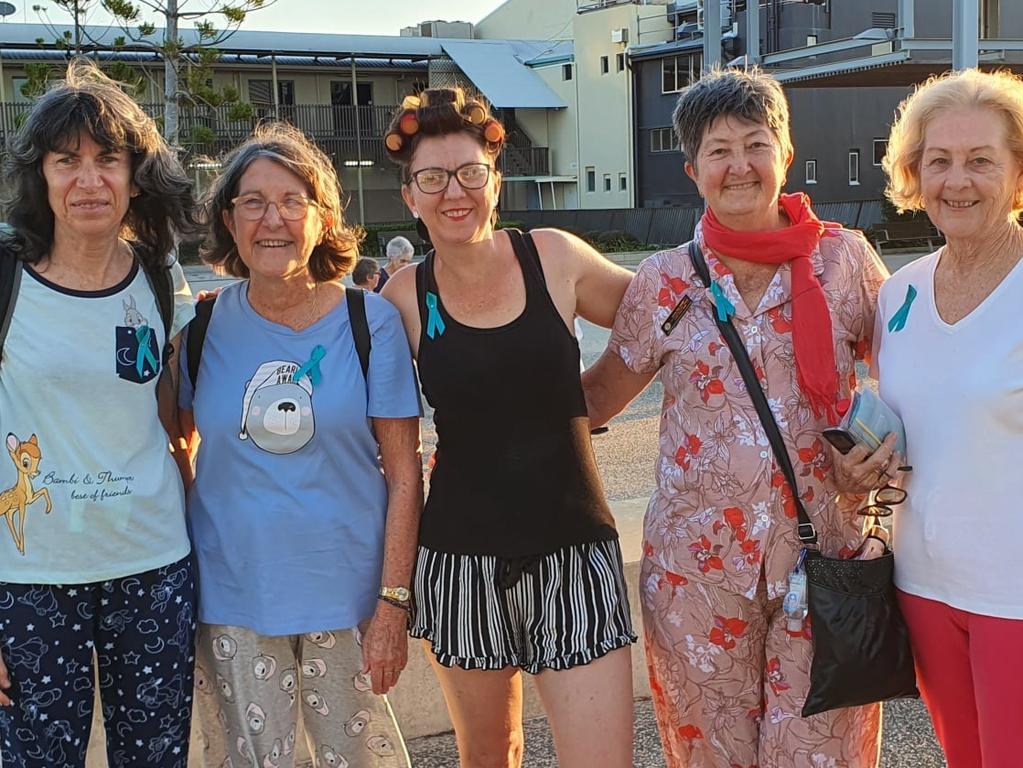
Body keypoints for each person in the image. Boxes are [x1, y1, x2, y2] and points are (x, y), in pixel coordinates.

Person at [583, 67, 888, 768]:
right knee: (709, 757)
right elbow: (599, 396)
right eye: (719, 150)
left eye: (755, 144)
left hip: (827, 559)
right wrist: (488, 424)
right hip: (695, 577)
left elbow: (910, 377)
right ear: (693, 169)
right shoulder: (663, 280)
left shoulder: (845, 262)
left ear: (785, 152)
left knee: (821, 755)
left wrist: (881, 452)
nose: (739, 166)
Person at [380, 89, 636, 768]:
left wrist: (595, 400)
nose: (453, 192)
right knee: (490, 754)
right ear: (410, 196)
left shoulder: (554, 256)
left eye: (469, 172)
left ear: (496, 179)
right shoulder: (402, 296)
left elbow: (662, 315)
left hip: (575, 548)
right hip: (459, 558)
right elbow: (356, 408)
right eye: (432, 178)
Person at [179, 122, 422, 768]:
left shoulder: (369, 323)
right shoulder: (201, 327)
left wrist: (394, 601)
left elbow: (404, 473)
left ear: (322, 218)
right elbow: (176, 448)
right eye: (252, 202)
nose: (272, 220)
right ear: (229, 222)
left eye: (292, 200)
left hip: (348, 601)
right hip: (233, 598)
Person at [0, 59, 198, 767]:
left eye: (107, 160)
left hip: (152, 566)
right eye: (67, 161)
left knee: (154, 757)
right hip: (27, 580)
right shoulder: (7, 278)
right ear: (41, 175)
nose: (89, 180)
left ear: (134, 174)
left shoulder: (158, 274)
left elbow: (175, 417)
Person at [834, 68, 1023, 768]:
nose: (957, 180)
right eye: (938, 161)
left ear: (1016, 170)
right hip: (923, 585)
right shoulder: (900, 293)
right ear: (914, 172)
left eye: (981, 160)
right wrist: (854, 467)